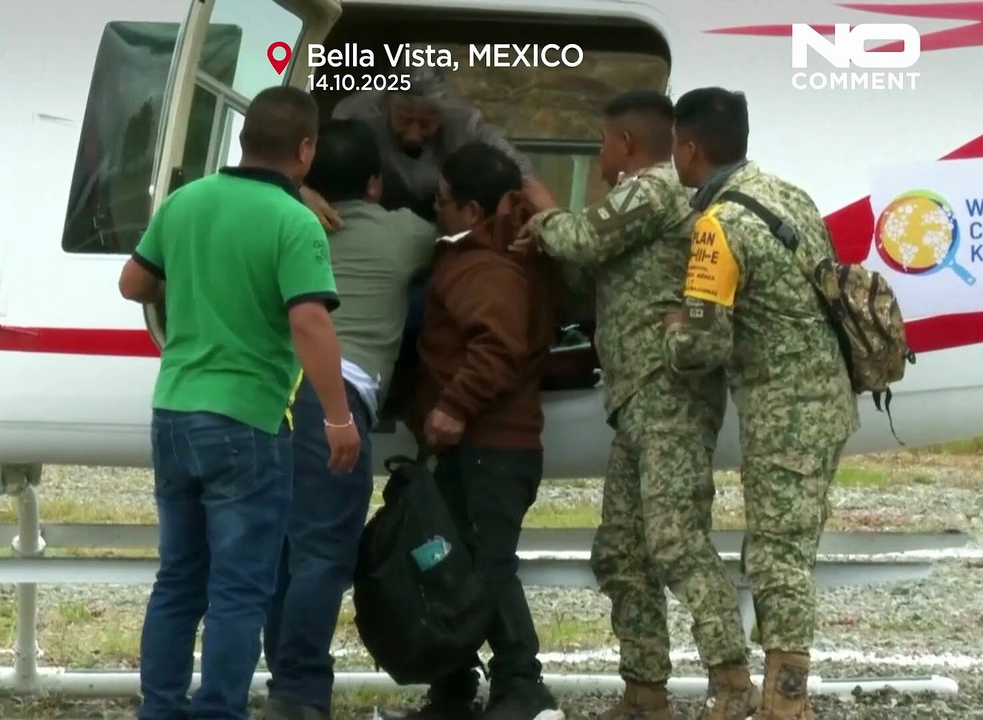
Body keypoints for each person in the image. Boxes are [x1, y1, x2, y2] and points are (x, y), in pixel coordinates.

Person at [116, 85, 361, 720]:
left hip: (173, 412)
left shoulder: (186, 201)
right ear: (305, 150)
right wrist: (338, 417)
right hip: (247, 421)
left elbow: (132, 283)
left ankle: (161, 708)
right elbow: (310, 322)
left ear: (244, 140)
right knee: (240, 587)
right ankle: (219, 710)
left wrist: (200, 267)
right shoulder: (295, 222)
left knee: (178, 579)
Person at [514, 89, 753, 720]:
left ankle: (732, 679)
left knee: (675, 542)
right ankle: (645, 693)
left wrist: (541, 210)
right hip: (636, 398)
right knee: (621, 550)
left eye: (600, 143)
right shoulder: (645, 202)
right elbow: (587, 274)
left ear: (624, 145)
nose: (598, 156)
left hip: (668, 395)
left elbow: (581, 240)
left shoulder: (649, 190)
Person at [660, 87, 859, 720]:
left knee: (778, 555)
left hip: (785, 412)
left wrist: (671, 335)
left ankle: (785, 703)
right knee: (787, 547)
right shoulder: (786, 194)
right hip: (826, 399)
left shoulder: (716, 227)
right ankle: (781, 697)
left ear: (690, 149)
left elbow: (703, 343)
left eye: (675, 148)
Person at [261, 118, 437, 720]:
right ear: (375, 183)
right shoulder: (403, 233)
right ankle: (299, 693)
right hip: (334, 403)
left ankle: (287, 682)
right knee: (322, 555)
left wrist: (291, 193)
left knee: (283, 549)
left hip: (270, 398)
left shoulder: (280, 220)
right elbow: (453, 233)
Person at [405, 140, 562, 720]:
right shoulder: (508, 258)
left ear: (472, 212)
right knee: (457, 565)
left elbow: (497, 348)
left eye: (443, 201)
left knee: (486, 566)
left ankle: (521, 683)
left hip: (488, 447)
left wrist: (453, 406)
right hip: (487, 447)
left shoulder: (484, 267)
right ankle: (455, 687)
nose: (435, 210)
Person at [301, 66, 533, 229]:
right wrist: (302, 192)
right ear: (386, 103)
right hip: (372, 224)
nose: (413, 135)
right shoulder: (358, 114)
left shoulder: (463, 123)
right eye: (403, 119)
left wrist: (546, 218)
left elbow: (522, 174)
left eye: (426, 123)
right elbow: (313, 162)